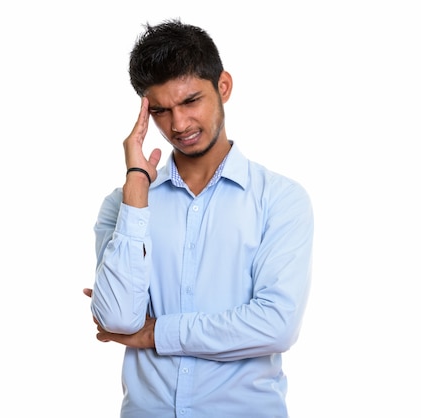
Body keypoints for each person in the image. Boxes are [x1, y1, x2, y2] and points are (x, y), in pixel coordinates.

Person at [83, 18, 314, 418]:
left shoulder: (280, 199)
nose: (179, 125)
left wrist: (156, 332)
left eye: (191, 101)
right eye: (160, 111)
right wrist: (136, 187)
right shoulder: (124, 206)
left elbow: (276, 325)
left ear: (223, 86)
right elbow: (119, 319)